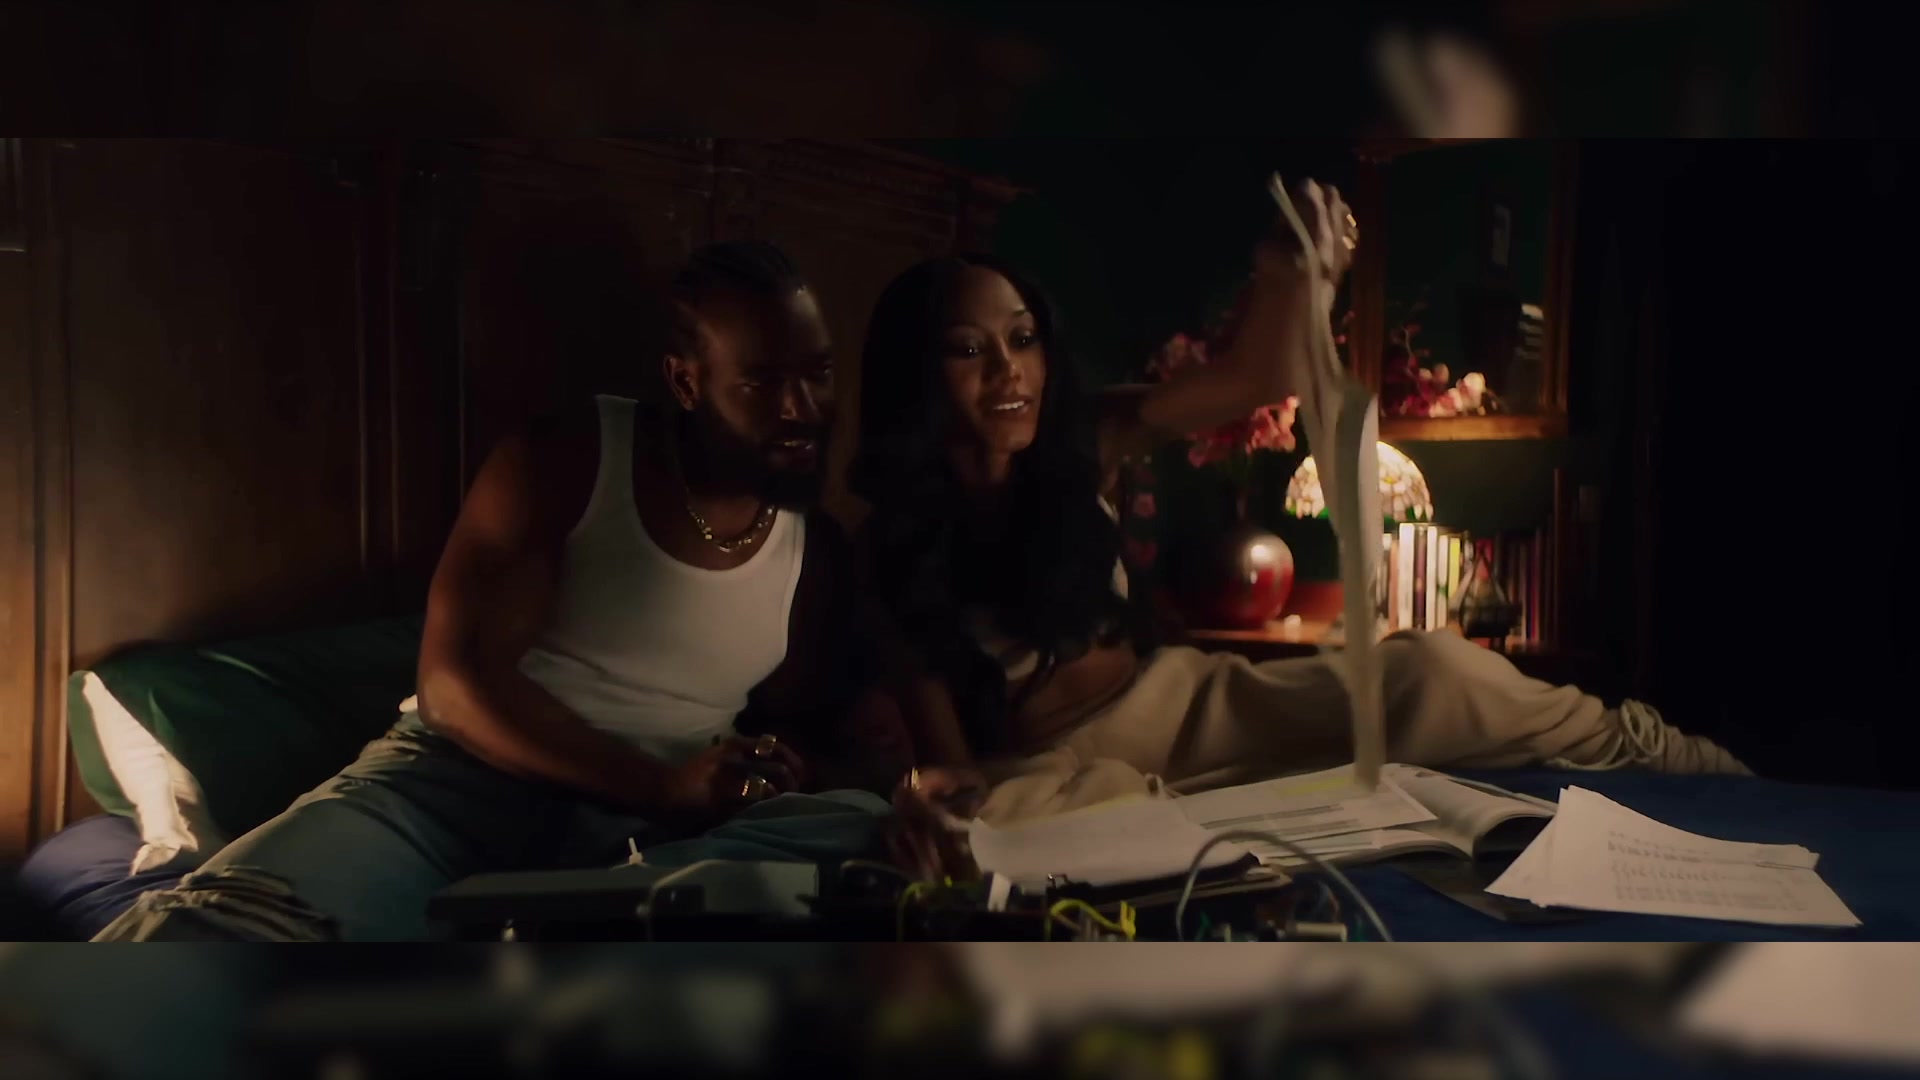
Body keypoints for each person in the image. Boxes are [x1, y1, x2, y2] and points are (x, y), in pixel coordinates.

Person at [844, 182, 1751, 876]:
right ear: (917, 373)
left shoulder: (1091, 436)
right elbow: (951, 765)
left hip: (1188, 704)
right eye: (969, 349)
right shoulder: (895, 544)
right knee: (997, 824)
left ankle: (1666, 754)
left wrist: (1295, 275)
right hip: (1057, 769)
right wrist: (933, 802)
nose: (1010, 371)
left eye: (1023, 338)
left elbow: (1254, 379)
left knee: (1434, 672)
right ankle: (1173, 834)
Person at [95, 241, 906, 941]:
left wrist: (790, 769)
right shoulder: (571, 462)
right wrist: (658, 783)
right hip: (454, 794)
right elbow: (454, 691)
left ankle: (578, 932)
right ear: (687, 383)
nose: (802, 409)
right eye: (762, 384)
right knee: (213, 927)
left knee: (870, 834)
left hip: (650, 839)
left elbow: (799, 728)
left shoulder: (814, 550)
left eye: (818, 374)